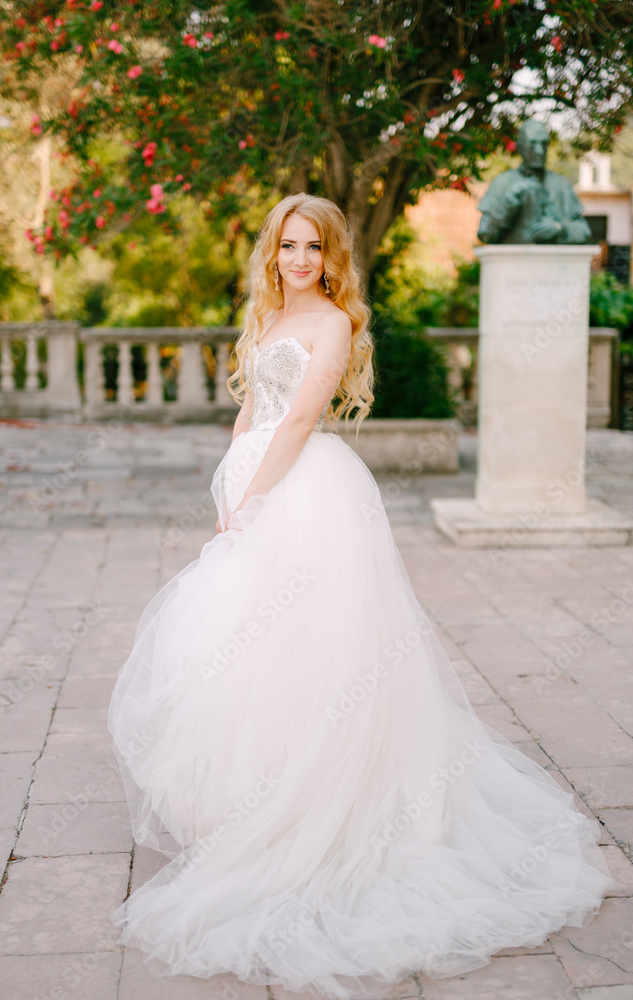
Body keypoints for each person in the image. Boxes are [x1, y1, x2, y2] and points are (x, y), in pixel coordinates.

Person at [108, 193, 611, 1000]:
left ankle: (325, 809)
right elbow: (253, 407)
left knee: (318, 650)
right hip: (252, 485)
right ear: (272, 253)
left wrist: (256, 503)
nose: (299, 260)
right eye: (288, 246)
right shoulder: (268, 316)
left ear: (331, 256)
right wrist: (225, 484)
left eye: (312, 248)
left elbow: (303, 416)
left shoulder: (332, 323)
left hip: (303, 497)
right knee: (243, 647)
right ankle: (247, 802)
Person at [477, 118, 592, 244]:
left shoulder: (561, 184)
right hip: (513, 261)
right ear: (520, 147)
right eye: (532, 144)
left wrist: (560, 230)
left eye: (544, 144)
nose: (539, 151)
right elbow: (485, 234)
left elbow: (584, 231)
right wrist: (508, 203)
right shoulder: (502, 183)